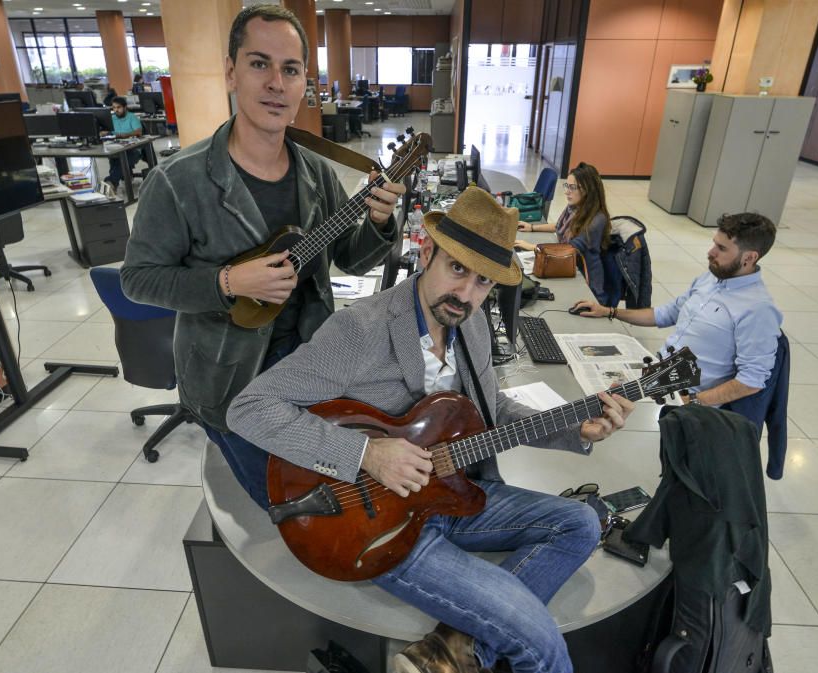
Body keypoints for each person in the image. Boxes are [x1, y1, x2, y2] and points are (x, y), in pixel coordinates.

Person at [228, 186, 635, 673]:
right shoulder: (361, 330)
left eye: (483, 282)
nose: (466, 294)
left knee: (582, 524)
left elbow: (492, 413)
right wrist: (367, 454)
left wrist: (576, 429)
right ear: (427, 253)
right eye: (457, 269)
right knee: (538, 641)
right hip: (383, 520)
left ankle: (455, 650)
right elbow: (249, 408)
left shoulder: (475, 323)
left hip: (453, 492)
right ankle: (480, 639)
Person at [120, 5, 404, 484]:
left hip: (312, 359)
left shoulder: (316, 172)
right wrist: (226, 282)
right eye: (259, 63)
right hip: (230, 377)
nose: (276, 82)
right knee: (283, 501)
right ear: (231, 72)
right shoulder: (179, 181)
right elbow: (137, 280)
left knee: (338, 480)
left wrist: (378, 219)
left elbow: (350, 259)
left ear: (302, 83)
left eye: (290, 69)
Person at [572, 212, 782, 407]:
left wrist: (690, 401)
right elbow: (665, 314)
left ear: (749, 258)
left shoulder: (758, 310)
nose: (711, 253)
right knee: (576, 378)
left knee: (595, 410)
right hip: (658, 373)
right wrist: (609, 311)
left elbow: (751, 380)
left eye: (722, 248)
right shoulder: (711, 278)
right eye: (714, 244)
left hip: (685, 396)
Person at [519, 162, 610, 300]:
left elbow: (568, 249)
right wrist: (532, 227)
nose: (567, 191)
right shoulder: (575, 208)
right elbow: (559, 226)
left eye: (572, 187)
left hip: (586, 284)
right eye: (567, 185)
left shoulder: (596, 220)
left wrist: (533, 247)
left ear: (587, 190)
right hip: (566, 266)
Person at [103, 96, 144, 194]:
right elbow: (109, 131)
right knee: (114, 158)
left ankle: (111, 182)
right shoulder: (112, 119)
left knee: (120, 161)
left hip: (133, 149)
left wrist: (126, 134)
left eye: (119, 107)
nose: (116, 110)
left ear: (125, 107)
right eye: (114, 108)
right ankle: (112, 184)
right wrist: (104, 132)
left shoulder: (131, 117)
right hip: (117, 146)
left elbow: (139, 132)